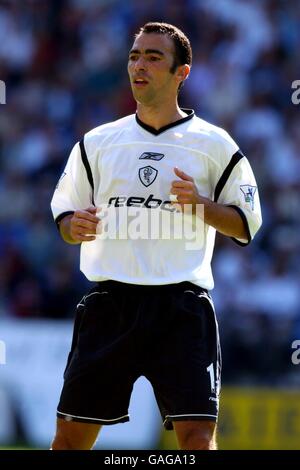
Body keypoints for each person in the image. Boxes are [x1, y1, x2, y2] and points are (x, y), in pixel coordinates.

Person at [50, 22, 262, 450]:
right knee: (70, 440)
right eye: (134, 56)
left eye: (153, 57)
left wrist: (201, 205)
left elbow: (247, 224)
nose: (139, 65)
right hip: (109, 304)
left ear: (181, 72)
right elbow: (65, 215)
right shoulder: (97, 142)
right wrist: (73, 227)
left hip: (182, 307)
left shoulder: (215, 144)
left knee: (197, 440)